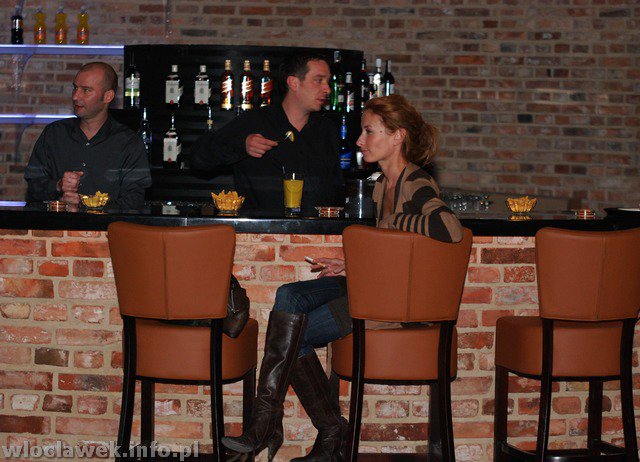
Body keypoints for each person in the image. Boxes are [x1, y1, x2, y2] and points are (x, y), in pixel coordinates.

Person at [222, 94, 463, 461]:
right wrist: (350, 264)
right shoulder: (382, 185)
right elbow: (395, 254)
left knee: (294, 335)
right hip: (373, 288)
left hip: (391, 304)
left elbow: (450, 227)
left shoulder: (416, 181)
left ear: (397, 136)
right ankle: (294, 425)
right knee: (289, 296)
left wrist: (394, 223)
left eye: (369, 131)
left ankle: (286, 426)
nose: (360, 140)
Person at [190, 52, 344, 215]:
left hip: (317, 229)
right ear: (293, 82)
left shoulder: (326, 130)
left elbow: (337, 188)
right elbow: (198, 159)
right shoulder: (255, 122)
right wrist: (242, 145)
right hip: (261, 228)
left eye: (327, 81)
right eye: (318, 80)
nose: (327, 89)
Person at [24, 62, 151, 209]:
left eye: (86, 90)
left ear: (108, 96)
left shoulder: (128, 143)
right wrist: (58, 186)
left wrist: (87, 204)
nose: (75, 96)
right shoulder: (54, 134)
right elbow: (32, 189)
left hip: (107, 225)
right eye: (75, 88)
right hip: (56, 224)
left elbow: (134, 202)